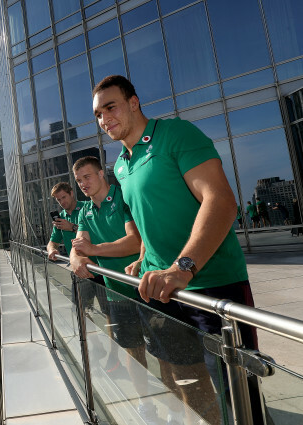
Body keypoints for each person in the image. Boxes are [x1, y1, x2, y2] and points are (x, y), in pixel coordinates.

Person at [93, 75, 257, 425]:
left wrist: (182, 266)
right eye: (98, 114)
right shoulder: (121, 165)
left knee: (240, 398)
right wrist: (143, 258)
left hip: (212, 286)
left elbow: (221, 202)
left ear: (134, 103)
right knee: (181, 382)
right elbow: (148, 219)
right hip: (162, 292)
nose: (104, 118)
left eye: (111, 107)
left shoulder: (176, 135)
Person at [69, 156, 158, 420]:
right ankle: (146, 405)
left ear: (100, 174)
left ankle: (177, 411)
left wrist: (93, 251)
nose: (83, 184)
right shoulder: (84, 211)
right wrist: (76, 260)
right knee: (132, 351)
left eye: (87, 177)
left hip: (147, 288)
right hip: (115, 293)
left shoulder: (123, 197)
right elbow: (78, 246)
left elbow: (134, 241)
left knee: (165, 357)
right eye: (78, 180)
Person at [46, 182, 84, 261]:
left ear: (71, 193)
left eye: (64, 197)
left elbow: (96, 233)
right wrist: (51, 250)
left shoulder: (87, 208)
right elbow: (52, 242)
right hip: (76, 266)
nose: (62, 202)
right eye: (59, 200)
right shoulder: (61, 217)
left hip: (96, 267)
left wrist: (71, 227)